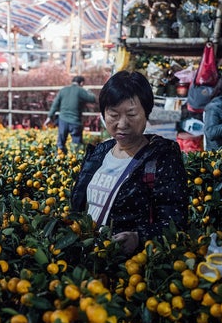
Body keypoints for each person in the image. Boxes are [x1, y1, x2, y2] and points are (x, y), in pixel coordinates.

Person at [71, 71, 189, 255]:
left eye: (132, 114)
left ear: (146, 113)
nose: (122, 124)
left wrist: (139, 237)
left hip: (128, 267)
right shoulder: (98, 154)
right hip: (88, 259)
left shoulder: (161, 158)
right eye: (114, 115)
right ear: (104, 115)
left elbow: (175, 221)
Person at [43, 75, 96, 154]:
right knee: (76, 145)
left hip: (63, 120)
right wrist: (88, 91)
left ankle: (59, 159)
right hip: (75, 121)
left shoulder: (63, 90)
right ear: (81, 83)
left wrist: (49, 117)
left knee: (60, 143)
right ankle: (75, 160)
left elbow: (55, 104)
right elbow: (93, 99)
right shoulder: (81, 91)